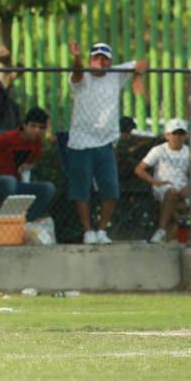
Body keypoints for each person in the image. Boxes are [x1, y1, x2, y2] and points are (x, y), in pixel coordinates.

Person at [66, 41, 149, 244]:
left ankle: (102, 230)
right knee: (82, 190)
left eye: (104, 58)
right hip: (81, 141)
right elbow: (76, 74)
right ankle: (88, 231)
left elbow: (143, 62)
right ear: (90, 60)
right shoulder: (82, 75)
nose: (100, 62)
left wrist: (137, 76)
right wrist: (76, 57)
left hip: (105, 142)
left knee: (110, 189)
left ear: (110, 61)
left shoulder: (115, 74)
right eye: (96, 57)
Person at [135, 119, 191, 244]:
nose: (178, 137)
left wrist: (189, 185)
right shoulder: (158, 150)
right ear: (167, 135)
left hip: (184, 185)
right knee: (171, 193)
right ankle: (161, 231)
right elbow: (139, 169)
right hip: (163, 186)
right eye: (174, 133)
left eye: (181, 134)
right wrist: (155, 182)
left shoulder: (188, 151)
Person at [0, 108, 59, 222]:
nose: (37, 130)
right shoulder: (8, 137)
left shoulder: (37, 144)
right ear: (24, 125)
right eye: (33, 126)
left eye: (41, 127)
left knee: (48, 188)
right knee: (9, 181)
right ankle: (7, 220)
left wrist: (29, 166)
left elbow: (32, 162)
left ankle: (25, 221)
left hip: (16, 185)